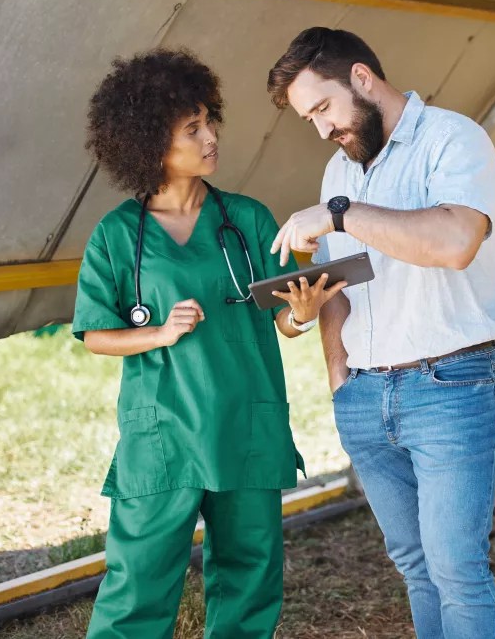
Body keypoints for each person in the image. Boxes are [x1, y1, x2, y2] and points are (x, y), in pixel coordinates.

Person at [73, 48, 344, 638]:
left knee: (250, 582)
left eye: (209, 121)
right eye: (192, 129)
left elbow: (280, 318)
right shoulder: (117, 235)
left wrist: (300, 317)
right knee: (137, 588)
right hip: (164, 434)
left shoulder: (247, 220)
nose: (211, 137)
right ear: (149, 144)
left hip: (245, 427)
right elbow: (95, 335)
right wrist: (159, 332)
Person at [266, 28, 495, 639]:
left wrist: (341, 212)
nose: (323, 130)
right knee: (414, 566)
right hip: (363, 394)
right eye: (309, 120)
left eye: (323, 108)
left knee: (457, 569)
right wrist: (338, 378)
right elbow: (339, 286)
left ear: (360, 77)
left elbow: (456, 241)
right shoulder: (338, 170)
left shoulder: (453, 139)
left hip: (450, 384)